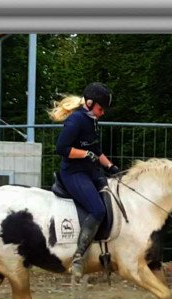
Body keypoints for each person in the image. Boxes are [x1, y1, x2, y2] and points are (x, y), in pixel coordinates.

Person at [48, 82, 120, 281]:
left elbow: (96, 151)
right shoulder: (76, 121)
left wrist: (112, 167)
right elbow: (61, 148)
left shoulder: (92, 120)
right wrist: (84, 154)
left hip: (90, 170)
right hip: (73, 173)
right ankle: (78, 257)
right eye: (100, 108)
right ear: (89, 103)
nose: (102, 112)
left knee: (113, 197)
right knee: (98, 210)